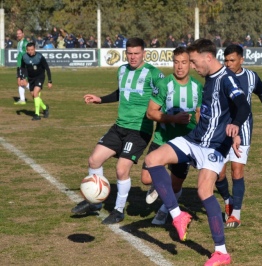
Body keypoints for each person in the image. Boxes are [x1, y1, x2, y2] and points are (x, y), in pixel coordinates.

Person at [144, 38, 251, 266]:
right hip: (195, 139)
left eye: (193, 61)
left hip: (215, 146)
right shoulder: (209, 79)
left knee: (204, 192)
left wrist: (236, 127)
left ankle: (221, 252)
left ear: (207, 57)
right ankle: (177, 215)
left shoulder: (226, 79)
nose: (192, 66)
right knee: (153, 160)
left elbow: (242, 105)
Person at [70, 37, 165, 224]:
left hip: (139, 130)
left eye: (136, 53)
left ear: (144, 53)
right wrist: (101, 99)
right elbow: (122, 91)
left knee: (121, 169)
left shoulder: (154, 74)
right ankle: (96, 201)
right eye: (129, 53)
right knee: (94, 160)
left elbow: (164, 97)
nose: (132, 57)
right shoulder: (122, 70)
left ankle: (119, 210)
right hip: (119, 126)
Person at [216, 44, 262, 229]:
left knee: (237, 169)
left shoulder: (251, 76)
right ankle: (228, 200)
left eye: (232, 60)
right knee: (218, 174)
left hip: (243, 129)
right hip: (221, 129)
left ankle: (236, 213)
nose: (228, 64)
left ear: (241, 60)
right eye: (226, 60)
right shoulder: (219, 77)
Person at [141, 47, 203, 225]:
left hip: (185, 143)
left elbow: (200, 116)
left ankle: (163, 211)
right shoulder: (164, 84)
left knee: (175, 186)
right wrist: (172, 118)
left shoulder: (197, 87)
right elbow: (151, 113)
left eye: (184, 63)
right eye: (176, 63)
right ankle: (158, 184)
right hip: (162, 138)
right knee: (146, 179)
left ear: (190, 64)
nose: (180, 67)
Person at [19, 42, 52, 121]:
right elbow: (22, 68)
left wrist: (49, 81)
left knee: (36, 93)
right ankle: (44, 108)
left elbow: (47, 68)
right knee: (34, 96)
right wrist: (22, 77)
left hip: (40, 77)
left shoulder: (39, 57)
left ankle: (37, 115)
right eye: (29, 50)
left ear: (35, 49)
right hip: (31, 78)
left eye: (32, 50)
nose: (30, 51)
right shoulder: (24, 57)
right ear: (26, 50)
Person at [14, 29, 30, 105]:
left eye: (19, 33)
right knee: (19, 82)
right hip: (19, 65)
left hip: (23, 65)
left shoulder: (25, 42)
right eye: (17, 34)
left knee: (24, 82)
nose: (18, 35)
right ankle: (22, 99)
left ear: (23, 34)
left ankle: (35, 90)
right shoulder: (19, 42)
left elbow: (29, 52)